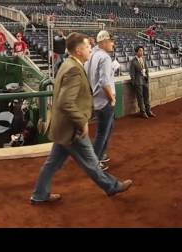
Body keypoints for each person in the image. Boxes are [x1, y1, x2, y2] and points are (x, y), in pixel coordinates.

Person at [30, 33, 133, 204]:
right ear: (78, 50)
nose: (90, 49)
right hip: (71, 128)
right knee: (91, 161)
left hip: (63, 127)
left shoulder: (68, 64)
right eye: (87, 46)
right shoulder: (73, 69)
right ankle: (112, 186)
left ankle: (39, 195)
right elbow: (65, 102)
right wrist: (81, 122)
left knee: (52, 164)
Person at [84, 30, 116, 171]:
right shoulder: (104, 57)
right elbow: (104, 82)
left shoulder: (92, 55)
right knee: (102, 132)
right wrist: (112, 98)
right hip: (104, 101)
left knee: (108, 128)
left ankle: (100, 155)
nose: (112, 43)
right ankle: (94, 162)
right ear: (103, 42)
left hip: (96, 99)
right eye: (110, 41)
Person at [130, 46, 156, 119]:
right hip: (138, 82)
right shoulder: (133, 61)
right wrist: (134, 82)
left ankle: (149, 111)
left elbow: (146, 69)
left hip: (145, 80)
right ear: (136, 52)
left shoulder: (143, 59)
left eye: (142, 51)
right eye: (140, 51)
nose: (142, 52)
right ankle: (143, 112)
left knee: (146, 96)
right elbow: (132, 73)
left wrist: (147, 77)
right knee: (140, 97)